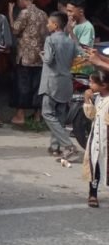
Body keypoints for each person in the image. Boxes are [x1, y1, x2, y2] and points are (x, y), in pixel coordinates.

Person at [40, 11, 78, 161]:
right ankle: (55, 147)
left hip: (52, 82)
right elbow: (78, 53)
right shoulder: (70, 41)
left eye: (49, 22)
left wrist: (42, 55)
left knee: (47, 113)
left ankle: (68, 145)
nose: (47, 25)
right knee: (60, 115)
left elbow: (48, 60)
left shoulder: (50, 40)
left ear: (55, 25)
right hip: (66, 82)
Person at [8, 0, 48, 127]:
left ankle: (20, 115)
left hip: (25, 56)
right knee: (37, 86)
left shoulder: (24, 12)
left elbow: (15, 30)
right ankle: (37, 116)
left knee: (22, 86)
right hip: (39, 57)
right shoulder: (43, 14)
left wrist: (10, 13)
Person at [84, 70, 109, 208]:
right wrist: (87, 100)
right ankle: (92, 194)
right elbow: (91, 116)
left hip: (107, 141)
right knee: (95, 167)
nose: (89, 85)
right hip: (96, 140)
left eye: (92, 82)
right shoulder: (97, 97)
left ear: (103, 85)